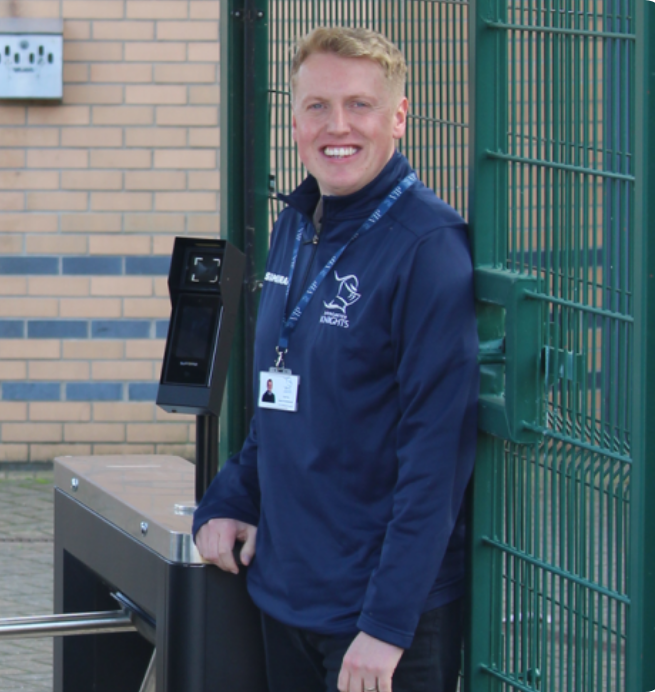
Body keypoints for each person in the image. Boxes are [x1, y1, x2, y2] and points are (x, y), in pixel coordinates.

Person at [192, 28, 477, 692]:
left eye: (359, 105)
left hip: (379, 622)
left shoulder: (428, 248)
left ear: (398, 117)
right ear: (294, 120)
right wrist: (231, 499)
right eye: (317, 106)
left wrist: (387, 627)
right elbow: (279, 400)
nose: (337, 126)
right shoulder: (296, 224)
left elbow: (436, 459)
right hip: (284, 596)